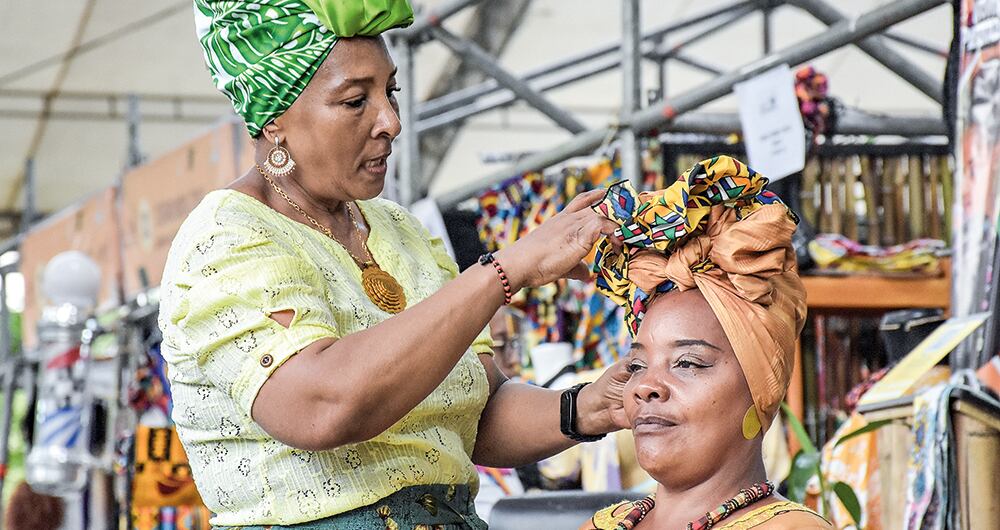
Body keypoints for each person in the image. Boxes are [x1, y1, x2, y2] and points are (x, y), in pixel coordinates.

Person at [159, 0, 630, 527]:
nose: (391, 121)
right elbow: (321, 407)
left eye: (391, 91)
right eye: (356, 101)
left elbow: (476, 411)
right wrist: (507, 270)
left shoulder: (399, 230)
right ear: (274, 121)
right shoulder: (227, 237)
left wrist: (593, 406)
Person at [579, 157, 833, 529]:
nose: (646, 386)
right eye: (637, 366)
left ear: (759, 391)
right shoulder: (601, 524)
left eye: (688, 362)